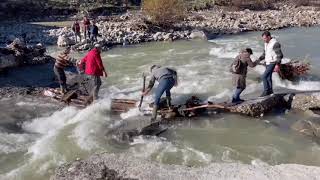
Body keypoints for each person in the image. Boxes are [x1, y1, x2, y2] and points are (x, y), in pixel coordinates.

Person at [258, 31, 283, 96]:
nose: (264, 40)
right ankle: (270, 91)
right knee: (268, 77)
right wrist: (259, 59)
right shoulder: (266, 43)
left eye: (265, 38)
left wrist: (277, 65)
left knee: (264, 76)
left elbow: (280, 55)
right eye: (263, 38)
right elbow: (264, 54)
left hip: (273, 62)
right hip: (267, 62)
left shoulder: (275, 43)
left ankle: (266, 91)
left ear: (269, 37)